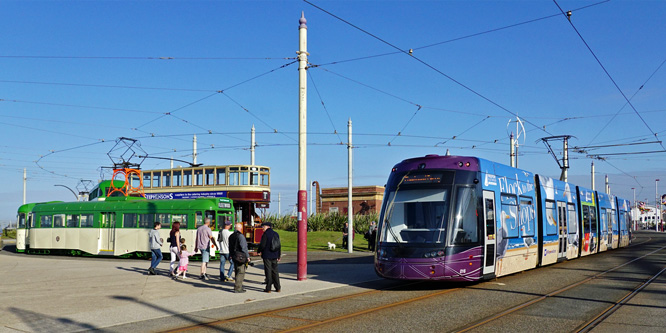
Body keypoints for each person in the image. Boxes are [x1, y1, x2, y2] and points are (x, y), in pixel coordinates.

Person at [257, 221, 281, 293]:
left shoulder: (265, 234)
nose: (262, 228)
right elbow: (279, 245)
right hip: (275, 255)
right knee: (275, 272)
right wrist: (278, 255)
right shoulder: (276, 234)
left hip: (267, 255)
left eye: (263, 227)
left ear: (267, 226)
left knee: (268, 272)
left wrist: (259, 251)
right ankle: (278, 287)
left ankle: (268, 288)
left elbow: (262, 245)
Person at [229, 222, 250, 293]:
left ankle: (237, 286)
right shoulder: (241, 236)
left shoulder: (231, 236)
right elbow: (244, 248)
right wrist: (247, 257)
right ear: (241, 229)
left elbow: (230, 247)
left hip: (234, 256)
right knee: (241, 272)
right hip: (241, 256)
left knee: (237, 271)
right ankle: (238, 288)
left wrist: (231, 255)